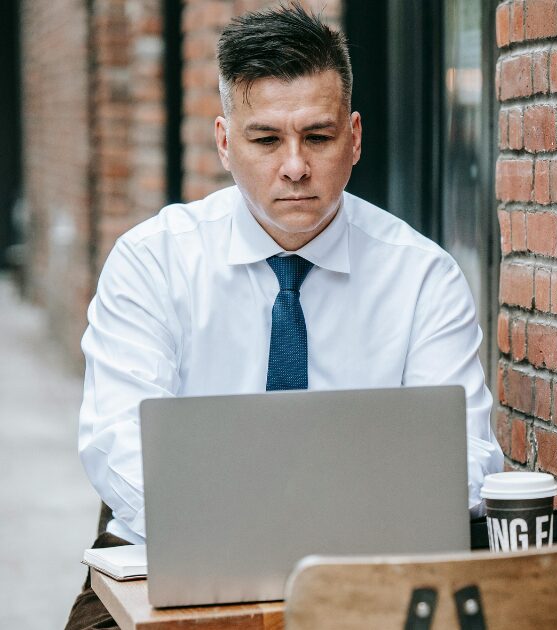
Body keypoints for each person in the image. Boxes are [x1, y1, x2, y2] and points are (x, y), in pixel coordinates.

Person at [65, 5, 502, 628]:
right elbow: (117, 443)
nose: (294, 166)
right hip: (171, 550)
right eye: (266, 139)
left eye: (317, 138)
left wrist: (329, 543)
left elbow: (467, 458)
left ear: (354, 137)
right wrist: (247, 536)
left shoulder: (421, 277)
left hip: (367, 565)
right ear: (223, 141)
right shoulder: (152, 261)